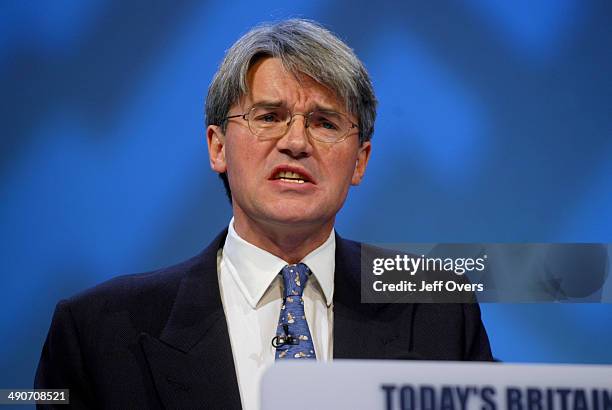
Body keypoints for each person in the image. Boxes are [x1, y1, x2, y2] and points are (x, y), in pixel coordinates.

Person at [35, 19, 493, 409]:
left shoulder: (437, 308)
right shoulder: (98, 331)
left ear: (360, 161)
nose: (296, 142)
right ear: (217, 146)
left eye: (324, 122)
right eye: (269, 116)